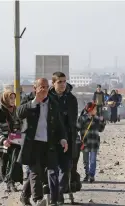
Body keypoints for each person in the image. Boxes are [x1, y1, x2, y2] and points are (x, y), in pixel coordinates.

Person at [17, 78, 68, 206]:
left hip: (48, 142)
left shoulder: (53, 102)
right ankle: (38, 199)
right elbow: (19, 113)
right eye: (41, 87)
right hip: (33, 143)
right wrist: (35, 102)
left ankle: (30, 196)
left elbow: (59, 123)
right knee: (35, 171)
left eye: (46, 86)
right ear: (35, 88)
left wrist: (63, 139)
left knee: (51, 170)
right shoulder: (29, 99)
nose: (44, 89)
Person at [48, 72, 79, 204]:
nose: (62, 84)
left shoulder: (71, 99)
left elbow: (73, 120)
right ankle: (54, 196)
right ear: (53, 83)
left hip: (67, 140)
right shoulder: (47, 98)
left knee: (66, 169)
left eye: (64, 81)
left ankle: (59, 193)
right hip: (50, 139)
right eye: (59, 82)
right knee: (52, 170)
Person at [0, 91, 23, 192]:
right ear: (5, 99)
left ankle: (12, 182)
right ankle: (7, 182)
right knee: (4, 165)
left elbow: (20, 125)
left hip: (15, 141)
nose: (13, 100)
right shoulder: (0, 111)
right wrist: (4, 140)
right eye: (10, 98)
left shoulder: (17, 110)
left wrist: (19, 133)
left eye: (14, 98)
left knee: (14, 162)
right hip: (4, 143)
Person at [77, 102, 106, 183]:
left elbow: (101, 129)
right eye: (95, 109)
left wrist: (102, 121)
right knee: (86, 160)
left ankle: (91, 175)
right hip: (85, 143)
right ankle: (87, 174)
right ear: (90, 109)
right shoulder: (82, 118)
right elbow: (77, 128)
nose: (96, 110)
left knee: (93, 160)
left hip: (94, 143)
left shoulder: (97, 118)